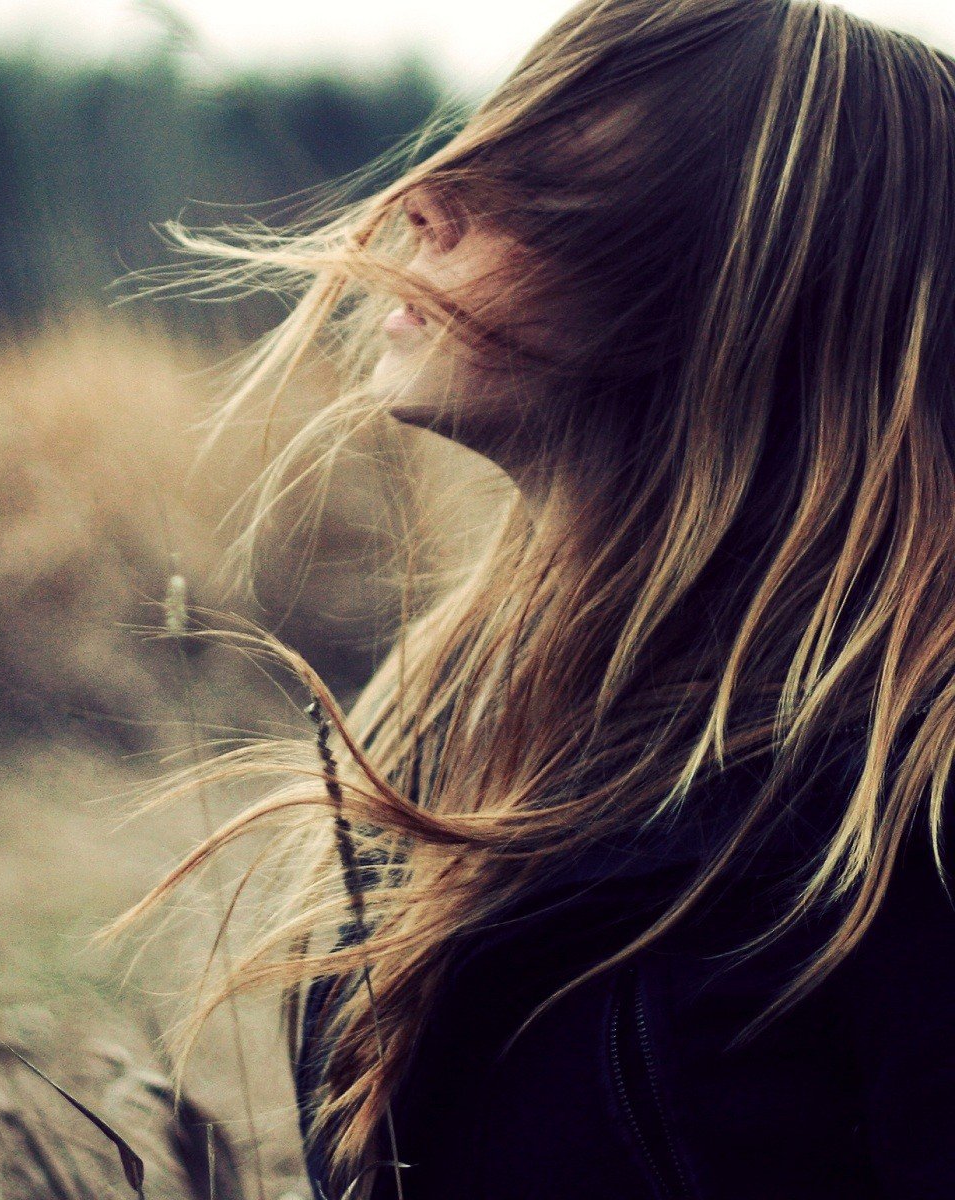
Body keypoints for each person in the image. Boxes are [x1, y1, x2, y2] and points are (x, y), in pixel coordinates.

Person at [126, 1, 955, 1196]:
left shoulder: (907, 804)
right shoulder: (444, 712)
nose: (425, 196)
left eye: (538, 179)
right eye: (478, 140)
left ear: (742, 287)